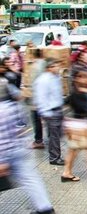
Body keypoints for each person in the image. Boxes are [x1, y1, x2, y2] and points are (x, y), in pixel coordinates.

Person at [0, 80, 56, 214]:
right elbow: (23, 127)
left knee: (30, 179)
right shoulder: (14, 106)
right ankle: (45, 208)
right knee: (31, 179)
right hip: (20, 149)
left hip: (5, 153)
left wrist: (2, 161)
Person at [33, 58, 65, 166]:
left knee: (56, 135)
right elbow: (41, 98)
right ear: (49, 68)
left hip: (57, 110)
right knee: (54, 136)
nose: (58, 68)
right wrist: (45, 114)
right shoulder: (43, 80)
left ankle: (55, 155)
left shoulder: (56, 77)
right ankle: (55, 158)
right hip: (51, 112)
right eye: (56, 66)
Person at [29, 49, 47, 149]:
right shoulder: (46, 64)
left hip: (38, 98)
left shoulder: (35, 66)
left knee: (36, 119)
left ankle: (38, 141)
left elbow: (35, 84)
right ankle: (48, 138)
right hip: (46, 97)